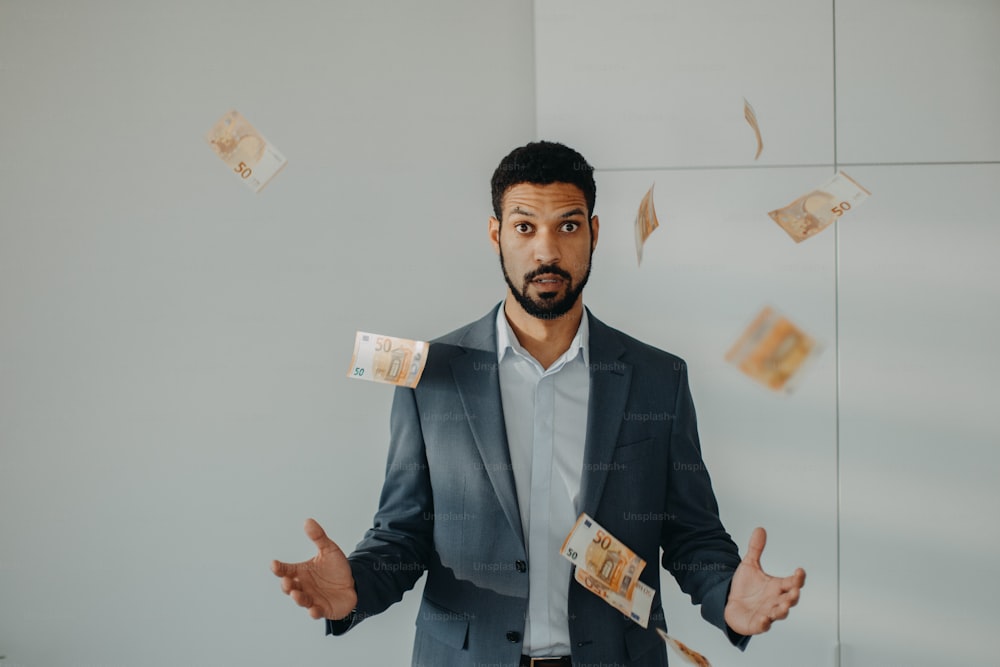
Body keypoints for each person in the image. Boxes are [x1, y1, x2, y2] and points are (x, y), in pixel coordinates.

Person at [272, 141, 805, 666]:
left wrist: (728, 594)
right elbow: (404, 532)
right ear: (495, 234)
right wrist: (356, 589)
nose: (546, 251)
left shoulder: (657, 377)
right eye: (525, 227)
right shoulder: (431, 375)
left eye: (568, 226)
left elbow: (690, 533)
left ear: (594, 233)